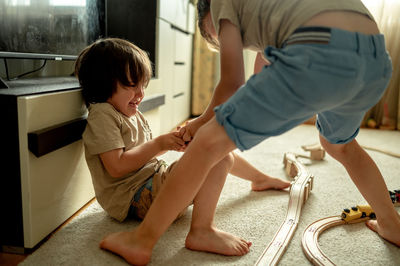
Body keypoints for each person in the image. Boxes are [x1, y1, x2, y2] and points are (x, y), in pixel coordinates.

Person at [97, 0, 400, 264]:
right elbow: (259, 85)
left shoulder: (221, 4)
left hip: (317, 49)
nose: (229, 44)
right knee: (341, 146)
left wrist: (201, 124)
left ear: (209, 16)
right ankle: (391, 224)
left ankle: (142, 240)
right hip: (374, 63)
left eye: (215, 37)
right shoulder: (274, 15)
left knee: (208, 143)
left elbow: (232, 84)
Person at [74, 37, 290, 263]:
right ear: (104, 82)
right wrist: (159, 144)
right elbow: (117, 167)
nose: (141, 94)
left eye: (143, 85)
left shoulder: (128, 112)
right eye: (132, 85)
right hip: (134, 195)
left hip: (150, 183)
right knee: (219, 157)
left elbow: (143, 157)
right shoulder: (102, 114)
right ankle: (202, 230)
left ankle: (259, 178)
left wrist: (172, 144)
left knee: (212, 150)